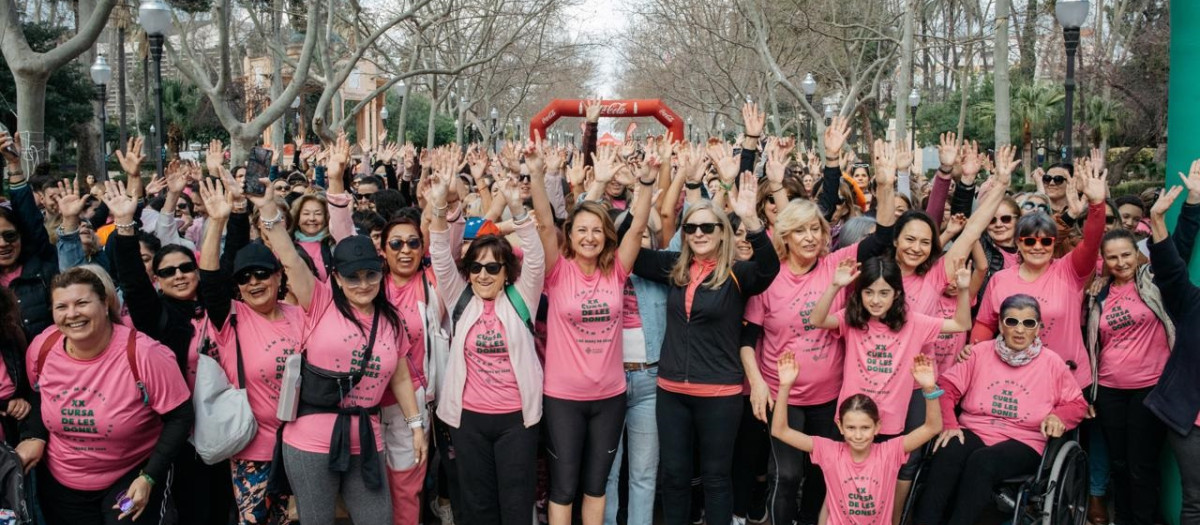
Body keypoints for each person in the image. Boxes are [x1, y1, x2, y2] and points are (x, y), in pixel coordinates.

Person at [739, 140, 898, 525]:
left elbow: (883, 237)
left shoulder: (835, 266)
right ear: (786, 236)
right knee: (786, 473)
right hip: (783, 392)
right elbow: (748, 340)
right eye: (801, 231)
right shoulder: (769, 276)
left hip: (830, 395)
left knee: (819, 474)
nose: (810, 237)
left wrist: (886, 184)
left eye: (816, 229)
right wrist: (758, 384)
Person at [253, 177, 426, 525]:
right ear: (335, 277)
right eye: (353, 277)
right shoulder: (319, 302)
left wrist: (416, 426)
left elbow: (401, 375)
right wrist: (269, 210)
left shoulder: (389, 320)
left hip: (368, 437)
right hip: (310, 442)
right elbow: (288, 256)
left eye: (370, 276)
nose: (363, 285)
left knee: (378, 518)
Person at [632, 170, 779, 525]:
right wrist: (645, 195)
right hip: (670, 391)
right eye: (691, 228)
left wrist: (751, 221)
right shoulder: (674, 267)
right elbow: (631, 254)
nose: (699, 233)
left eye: (707, 227)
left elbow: (770, 268)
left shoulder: (737, 273)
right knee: (675, 477)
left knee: (715, 480)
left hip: (719, 394)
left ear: (721, 232)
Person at [529, 138, 658, 525]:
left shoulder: (615, 270)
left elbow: (636, 231)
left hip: (610, 396)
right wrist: (537, 175)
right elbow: (544, 222)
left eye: (596, 231)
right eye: (581, 230)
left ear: (605, 236)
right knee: (564, 487)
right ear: (571, 235)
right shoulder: (557, 271)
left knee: (596, 486)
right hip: (563, 398)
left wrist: (647, 185)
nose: (589, 237)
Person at [104, 178, 235, 525]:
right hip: (179, 432)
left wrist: (225, 218)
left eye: (186, 267)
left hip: (227, 425)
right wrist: (124, 227)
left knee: (223, 507)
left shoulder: (220, 309)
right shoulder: (156, 316)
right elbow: (132, 280)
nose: (179, 275)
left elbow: (223, 267)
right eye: (168, 271)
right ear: (157, 279)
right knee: (191, 509)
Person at [18, 267, 193, 525]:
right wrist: (34, 435)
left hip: (130, 473)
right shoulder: (42, 349)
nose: (72, 314)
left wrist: (149, 477)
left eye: (82, 303)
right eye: (61, 307)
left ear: (105, 303)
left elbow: (180, 416)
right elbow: (37, 394)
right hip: (62, 483)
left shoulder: (145, 353)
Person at [427, 155, 545, 525]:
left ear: (506, 272)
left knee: (515, 505)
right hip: (468, 420)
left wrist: (516, 206)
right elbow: (440, 256)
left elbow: (538, 258)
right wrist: (438, 205)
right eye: (476, 267)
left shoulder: (521, 297)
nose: (482, 274)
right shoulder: (460, 298)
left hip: (516, 420)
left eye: (492, 267)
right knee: (477, 507)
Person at [915, 294, 1088, 525]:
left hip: (1024, 440)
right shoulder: (979, 353)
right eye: (1011, 321)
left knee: (982, 461)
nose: (1019, 330)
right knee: (949, 450)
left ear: (1038, 329)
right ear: (1000, 325)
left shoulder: (1052, 362)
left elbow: (1077, 404)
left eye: (1028, 323)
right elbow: (947, 387)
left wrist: (1058, 416)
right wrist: (950, 425)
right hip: (975, 429)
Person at [196, 176, 304, 525]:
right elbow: (210, 278)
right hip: (253, 449)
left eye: (261, 274)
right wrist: (217, 221)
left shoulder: (300, 315)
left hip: (303, 445)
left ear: (278, 277)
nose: (253, 282)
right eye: (244, 278)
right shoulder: (231, 317)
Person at [971, 151, 1110, 391]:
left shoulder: (1069, 270)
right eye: (1029, 241)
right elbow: (986, 323)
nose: (1037, 247)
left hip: (1067, 378)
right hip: (1015, 378)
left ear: (1053, 243)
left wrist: (1097, 205)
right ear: (1019, 242)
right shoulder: (1001, 280)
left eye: (1045, 242)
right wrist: (972, 351)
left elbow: (1091, 242)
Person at [769, 352, 942, 525]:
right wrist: (784, 386)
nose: (858, 435)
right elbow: (780, 431)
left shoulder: (890, 452)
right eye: (851, 428)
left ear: (878, 427)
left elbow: (932, 427)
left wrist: (929, 388)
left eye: (865, 428)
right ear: (840, 427)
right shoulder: (828, 451)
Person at [1083, 228, 1173, 525]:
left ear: (1138, 254)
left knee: (1141, 465)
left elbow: (1178, 246)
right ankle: (1122, 518)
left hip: (1150, 389)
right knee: (1119, 463)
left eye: (1126, 254)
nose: (1120, 262)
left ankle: (1146, 520)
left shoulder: (1154, 281)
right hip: (1109, 389)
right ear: (1104, 261)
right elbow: (1091, 343)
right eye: (1112, 257)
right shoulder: (1099, 293)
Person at [1144, 167, 1200, 525]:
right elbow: (1170, 271)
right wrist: (1158, 221)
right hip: (1190, 421)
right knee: (1196, 502)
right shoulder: (1192, 302)